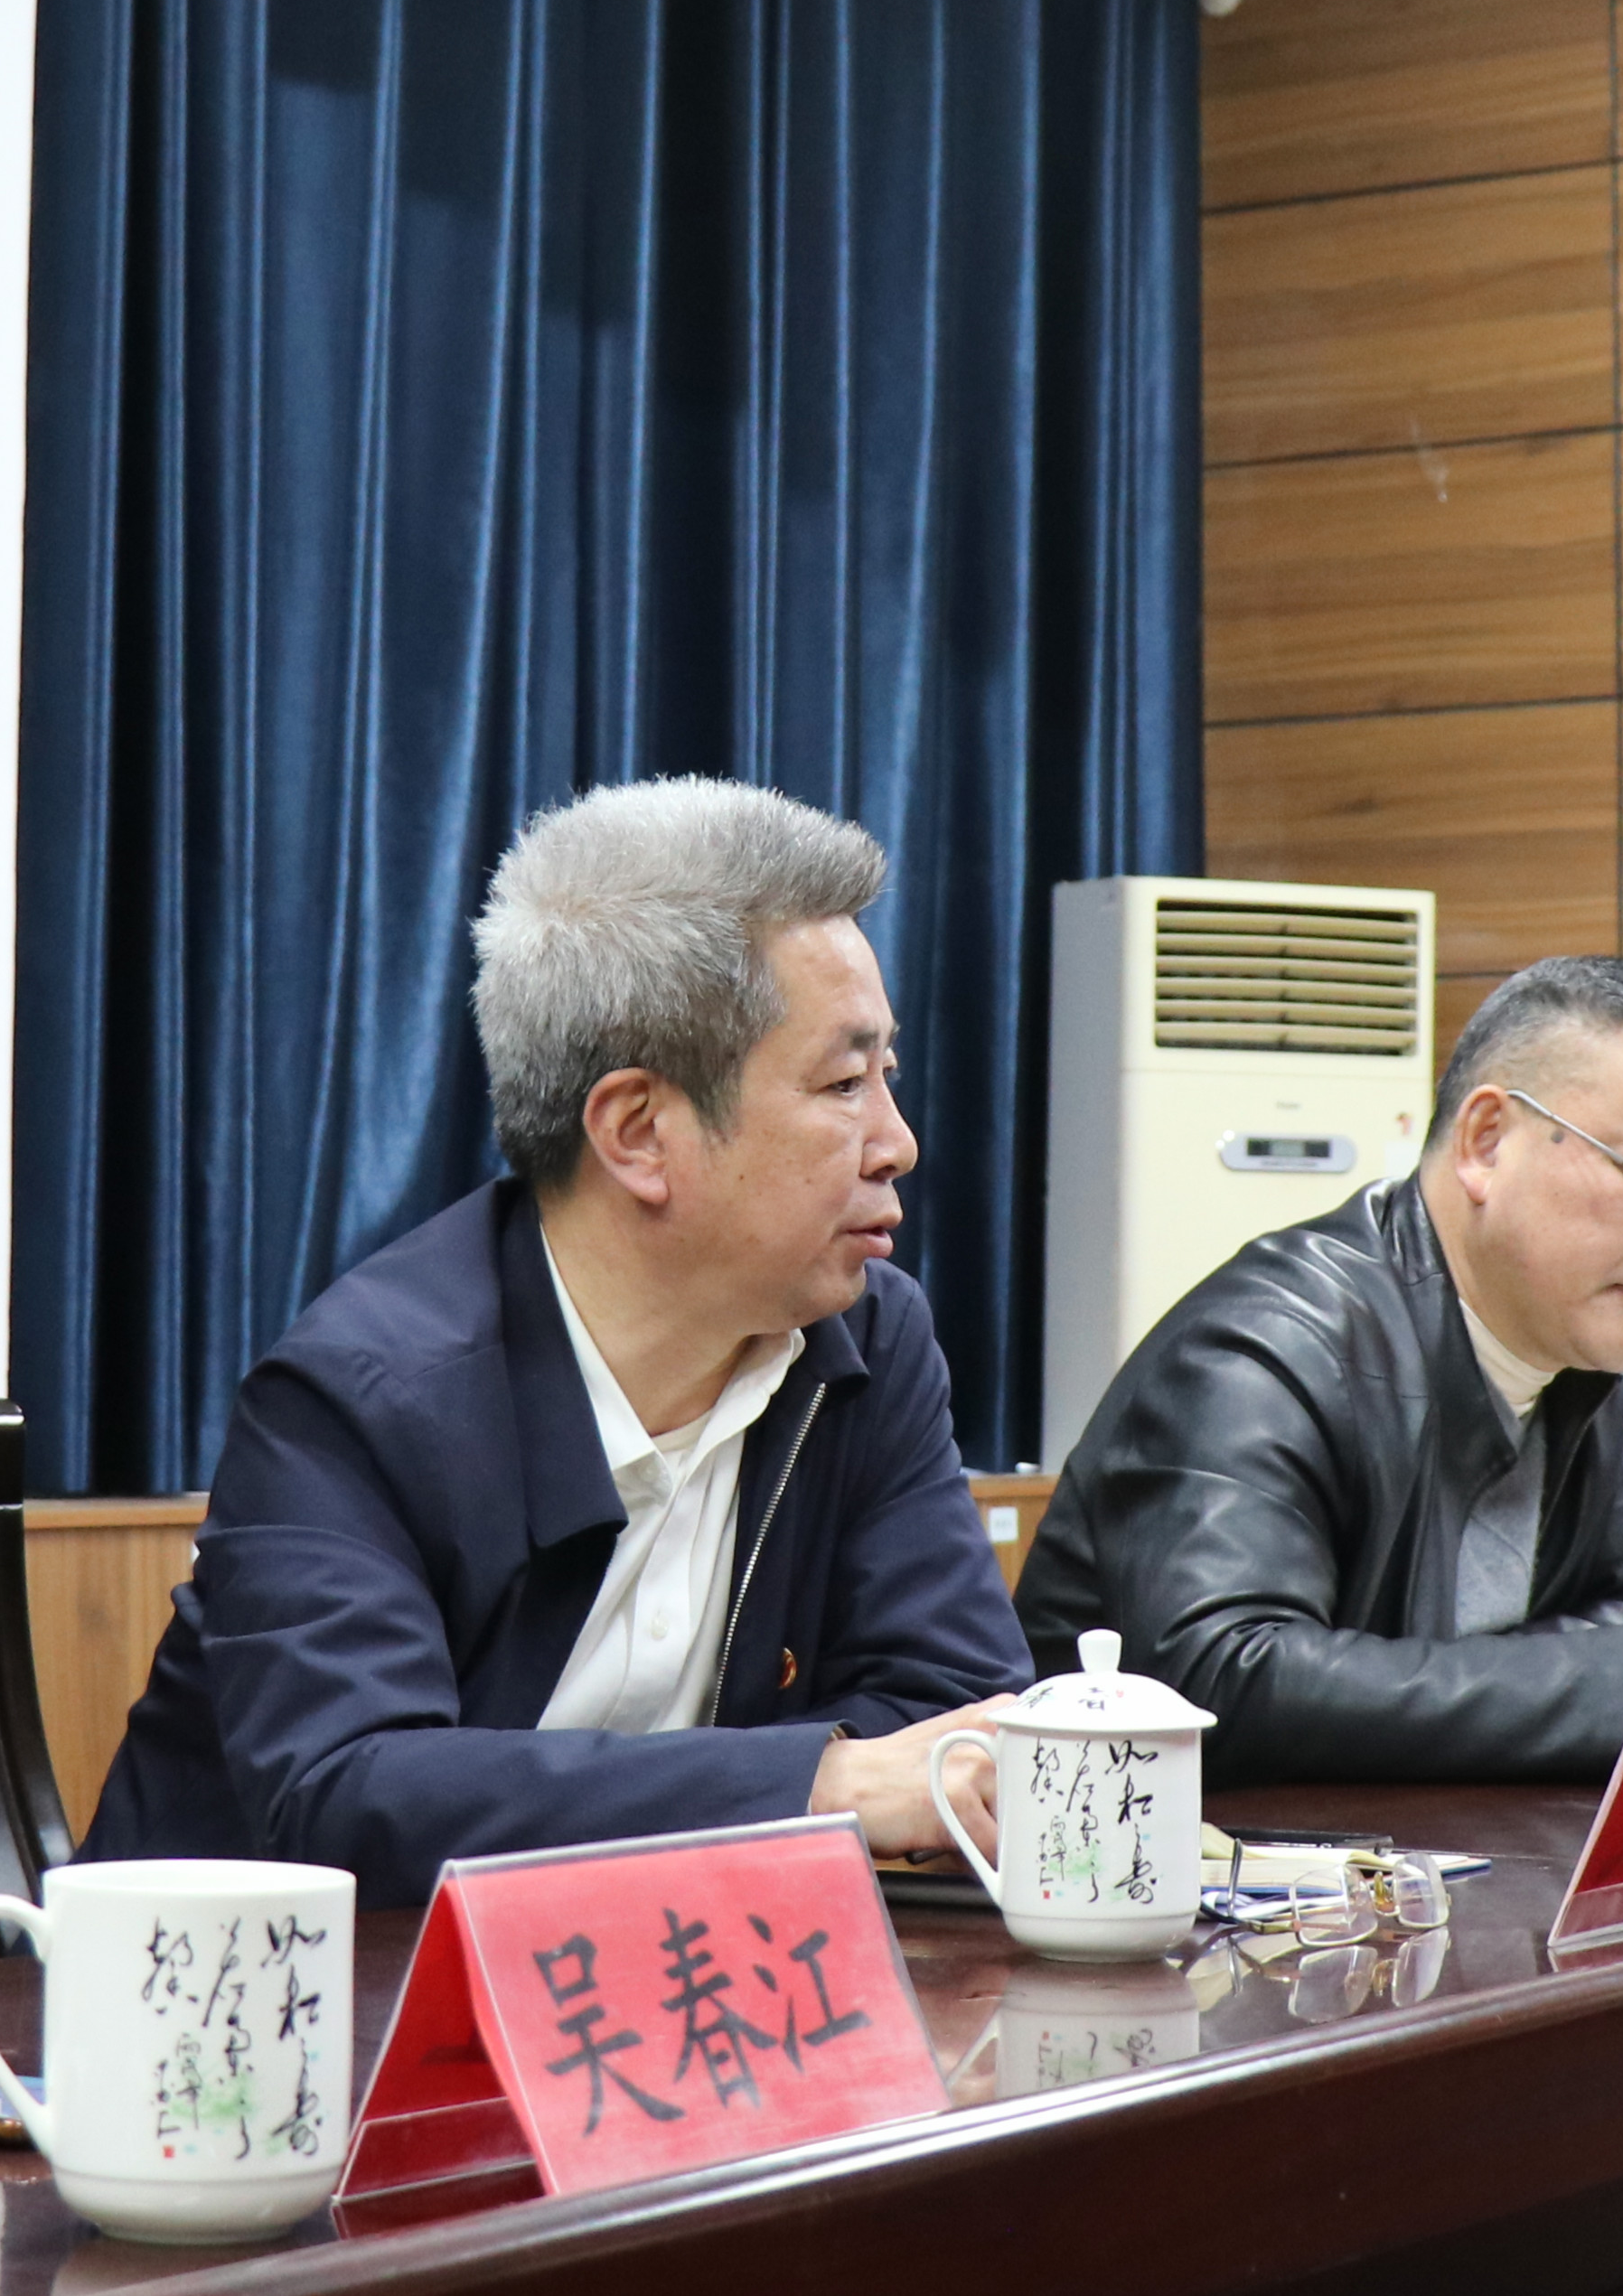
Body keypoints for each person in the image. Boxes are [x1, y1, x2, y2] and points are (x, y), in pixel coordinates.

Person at [84, 776, 1032, 1903]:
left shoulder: (864, 1341)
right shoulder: (359, 1399)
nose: (898, 1142)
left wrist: (831, 1784)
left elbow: (953, 1714)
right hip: (248, 1997)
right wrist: (817, 1784)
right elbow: (347, 1790)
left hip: (657, 1976)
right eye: (841, 1083)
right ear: (637, 1133)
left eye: (887, 1077)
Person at [1013, 954, 1623, 1786]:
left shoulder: (1572, 1356)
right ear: (1486, 1143)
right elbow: (1218, 1677)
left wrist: (1603, 1667)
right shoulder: (1270, 1345)